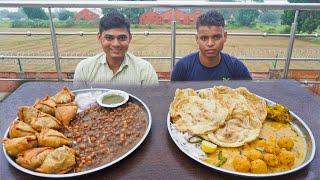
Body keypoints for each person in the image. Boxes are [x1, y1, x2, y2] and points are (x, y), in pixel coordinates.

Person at [74, 11, 159, 86]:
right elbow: (78, 101)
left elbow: (152, 101)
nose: (116, 44)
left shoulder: (145, 70)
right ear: (99, 37)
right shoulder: (84, 69)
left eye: (122, 38)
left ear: (130, 38)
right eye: (109, 38)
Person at [171, 10, 252, 81]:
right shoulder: (182, 68)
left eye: (216, 37)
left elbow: (249, 96)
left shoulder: (237, 68)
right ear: (197, 39)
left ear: (225, 37)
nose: (210, 43)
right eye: (204, 38)